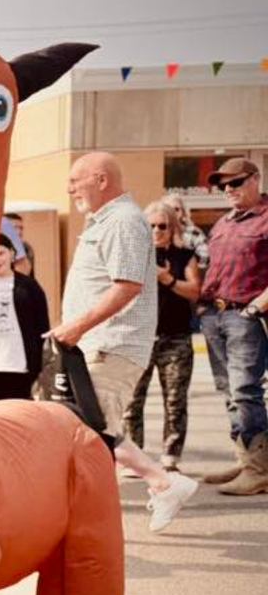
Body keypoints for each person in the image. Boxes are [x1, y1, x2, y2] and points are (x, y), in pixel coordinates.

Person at [48, 152, 198, 528]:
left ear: (101, 179)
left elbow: (128, 286)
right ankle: (161, 483)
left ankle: (159, 484)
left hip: (111, 344)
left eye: (75, 180)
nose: (69, 188)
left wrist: (77, 326)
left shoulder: (124, 221)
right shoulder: (107, 220)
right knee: (89, 428)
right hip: (91, 344)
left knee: (91, 433)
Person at [196, 156, 268, 494]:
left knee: (245, 391)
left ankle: (259, 470)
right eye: (224, 185)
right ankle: (244, 461)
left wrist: (256, 307)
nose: (229, 190)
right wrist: (202, 306)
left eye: (236, 183)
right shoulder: (224, 222)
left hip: (245, 316)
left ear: (256, 180)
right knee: (229, 392)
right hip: (215, 314)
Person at [124, 202, 201, 468]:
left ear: (173, 227)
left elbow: (194, 291)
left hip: (175, 338)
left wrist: (167, 279)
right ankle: (135, 457)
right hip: (139, 337)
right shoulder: (133, 255)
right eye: (151, 225)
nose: (156, 231)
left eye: (162, 226)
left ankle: (170, 456)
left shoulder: (184, 256)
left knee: (175, 400)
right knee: (132, 401)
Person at [0, 234, 50, 404]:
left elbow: (42, 328)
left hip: (20, 368)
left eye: (0, 253)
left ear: (12, 254)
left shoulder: (30, 287)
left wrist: (41, 366)